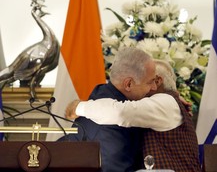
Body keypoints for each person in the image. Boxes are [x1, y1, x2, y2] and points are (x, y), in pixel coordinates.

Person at [66, 59, 201, 172]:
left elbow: (120, 113)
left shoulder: (165, 102)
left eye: (145, 80)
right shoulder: (169, 102)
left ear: (157, 81)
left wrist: (78, 107)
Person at [61, 47, 157, 172]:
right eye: (150, 82)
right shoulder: (110, 127)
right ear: (128, 84)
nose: (154, 88)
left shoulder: (105, 93)